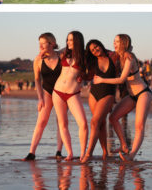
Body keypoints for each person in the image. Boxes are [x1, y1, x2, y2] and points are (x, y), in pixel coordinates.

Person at [93, 34, 152, 161]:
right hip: (132, 96)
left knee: (139, 126)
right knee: (113, 118)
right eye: (114, 41)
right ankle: (124, 146)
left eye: (117, 42)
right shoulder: (120, 56)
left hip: (143, 93)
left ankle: (131, 155)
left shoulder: (129, 58)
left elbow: (121, 80)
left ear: (123, 44)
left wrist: (102, 80)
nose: (114, 43)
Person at [23, 33, 64, 161]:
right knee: (41, 122)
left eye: (43, 43)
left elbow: (69, 47)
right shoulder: (38, 59)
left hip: (61, 92)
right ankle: (32, 152)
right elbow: (36, 80)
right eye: (39, 43)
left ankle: (59, 151)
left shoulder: (61, 55)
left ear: (52, 43)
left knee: (61, 123)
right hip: (46, 92)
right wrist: (40, 98)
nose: (40, 45)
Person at [53, 31, 88, 161]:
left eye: (71, 40)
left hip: (73, 93)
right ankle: (70, 153)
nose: (68, 42)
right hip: (57, 92)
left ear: (78, 41)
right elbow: (51, 52)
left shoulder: (85, 56)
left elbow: (91, 71)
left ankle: (83, 153)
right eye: (67, 40)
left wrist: (83, 77)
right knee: (63, 124)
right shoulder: (64, 53)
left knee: (83, 123)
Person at [81, 40, 117, 163]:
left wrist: (128, 53)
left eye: (96, 46)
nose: (95, 50)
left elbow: (125, 52)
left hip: (108, 93)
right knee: (100, 123)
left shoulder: (113, 56)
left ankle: (88, 153)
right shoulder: (92, 61)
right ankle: (105, 152)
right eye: (92, 50)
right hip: (94, 93)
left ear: (100, 44)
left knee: (94, 122)